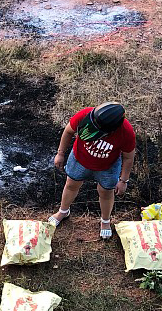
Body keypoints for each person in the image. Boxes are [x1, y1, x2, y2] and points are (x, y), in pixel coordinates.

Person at [48, 102, 136, 239]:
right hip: (79, 159)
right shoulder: (85, 114)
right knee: (71, 185)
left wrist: (123, 180)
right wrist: (60, 153)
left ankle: (105, 221)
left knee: (106, 192)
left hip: (108, 167)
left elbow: (128, 157)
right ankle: (63, 211)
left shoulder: (126, 132)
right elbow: (68, 131)